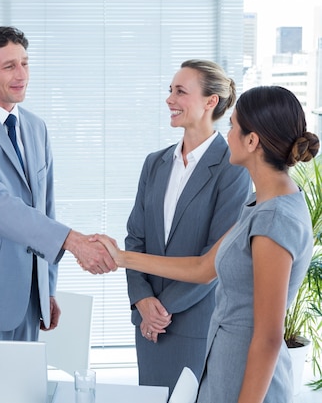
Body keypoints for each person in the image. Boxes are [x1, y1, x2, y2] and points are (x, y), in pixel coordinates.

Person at [95, 85, 319, 402]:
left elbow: (268, 337)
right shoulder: (261, 203)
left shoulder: (273, 220)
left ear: (252, 141)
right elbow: (203, 267)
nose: (226, 135)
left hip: (248, 385)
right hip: (224, 370)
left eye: (232, 127)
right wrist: (121, 258)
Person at [0, 26, 113, 341]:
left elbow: (46, 207)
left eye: (25, 63)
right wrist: (73, 241)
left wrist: (48, 288)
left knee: (23, 391)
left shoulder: (35, 127)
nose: (22, 74)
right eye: (9, 66)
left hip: (30, 299)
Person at [124, 59, 251, 394]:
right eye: (170, 90)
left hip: (195, 323)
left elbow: (217, 258)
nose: (169, 99)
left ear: (211, 101)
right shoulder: (155, 163)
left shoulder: (233, 168)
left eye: (180, 91)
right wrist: (142, 301)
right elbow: (135, 238)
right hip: (148, 323)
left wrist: (161, 309)